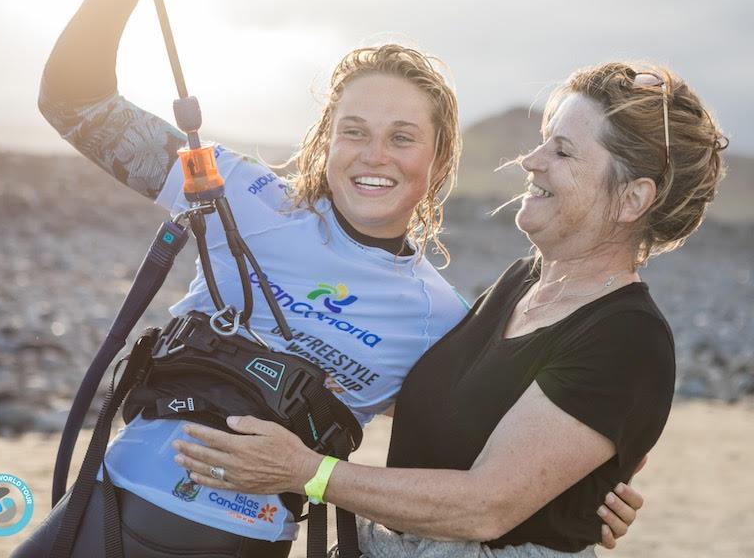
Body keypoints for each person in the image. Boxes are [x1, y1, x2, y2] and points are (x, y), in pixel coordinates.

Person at [12, 0, 642, 558]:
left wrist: (583, 496)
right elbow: (74, 102)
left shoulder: (439, 317)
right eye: (355, 131)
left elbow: (483, 461)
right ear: (326, 140)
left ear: (439, 156)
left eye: (402, 137)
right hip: (106, 511)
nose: (374, 156)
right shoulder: (244, 196)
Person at [173, 61, 728, 556]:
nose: (530, 161)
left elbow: (485, 506)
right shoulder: (522, 284)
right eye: (541, 141)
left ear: (632, 199)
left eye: (561, 151)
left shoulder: (627, 339)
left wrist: (307, 473)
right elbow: (458, 407)